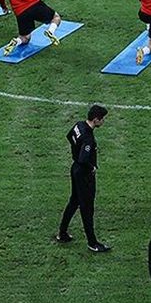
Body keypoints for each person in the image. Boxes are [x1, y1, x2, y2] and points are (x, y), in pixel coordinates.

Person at [57, 105, 111, 253]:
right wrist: (91, 167)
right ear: (96, 120)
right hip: (84, 175)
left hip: (75, 169)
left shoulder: (79, 125)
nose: (103, 121)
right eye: (102, 119)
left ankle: (62, 233)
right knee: (87, 208)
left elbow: (70, 137)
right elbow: (83, 158)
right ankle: (92, 243)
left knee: (74, 201)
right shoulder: (89, 138)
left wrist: (75, 153)